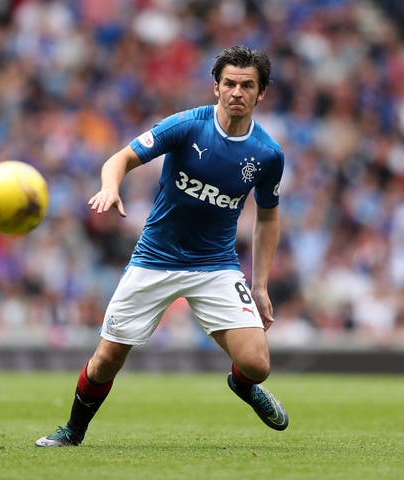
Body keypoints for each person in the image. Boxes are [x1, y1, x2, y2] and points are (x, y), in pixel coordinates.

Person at [35, 45, 288, 447]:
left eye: (247, 85)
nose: (237, 92)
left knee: (256, 364)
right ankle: (72, 431)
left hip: (216, 264)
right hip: (156, 258)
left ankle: (242, 386)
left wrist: (260, 285)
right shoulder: (187, 126)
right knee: (106, 361)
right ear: (216, 88)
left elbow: (269, 216)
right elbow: (120, 158)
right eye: (229, 84)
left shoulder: (268, 154)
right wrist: (109, 186)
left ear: (261, 93)